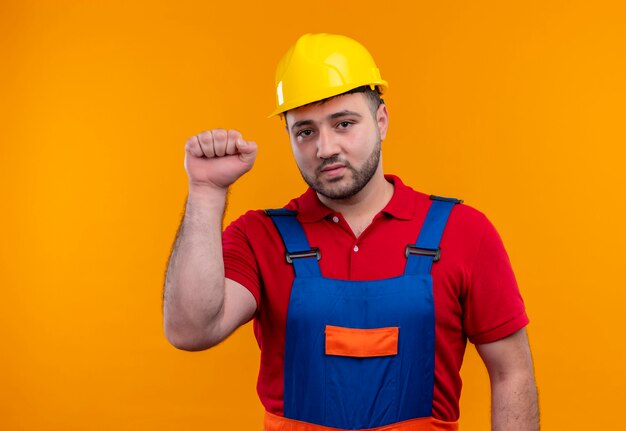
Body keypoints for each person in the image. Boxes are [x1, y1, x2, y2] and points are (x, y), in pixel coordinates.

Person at [163, 33, 538, 431]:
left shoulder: (463, 232)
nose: (325, 147)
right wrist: (205, 193)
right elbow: (190, 330)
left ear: (381, 121)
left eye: (343, 123)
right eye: (305, 131)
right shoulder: (260, 237)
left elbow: (511, 373)